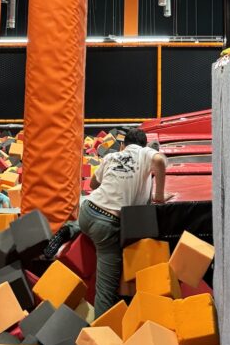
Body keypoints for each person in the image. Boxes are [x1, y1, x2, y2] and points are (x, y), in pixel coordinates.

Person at [44, 128, 171, 317]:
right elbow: (159, 161)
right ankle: (101, 330)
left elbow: (93, 185)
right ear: (144, 146)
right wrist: (159, 197)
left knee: (88, 218)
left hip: (87, 211)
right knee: (106, 289)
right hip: (107, 225)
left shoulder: (112, 157)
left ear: (123, 145)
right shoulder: (145, 154)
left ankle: (70, 229)